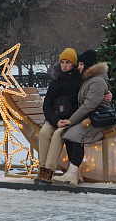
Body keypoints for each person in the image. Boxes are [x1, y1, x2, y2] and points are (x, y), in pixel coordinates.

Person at [52, 49, 114, 188]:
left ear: (89, 66)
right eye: (78, 64)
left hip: (99, 120)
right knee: (69, 135)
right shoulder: (87, 79)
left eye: (81, 64)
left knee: (75, 135)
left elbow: (89, 105)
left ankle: (73, 173)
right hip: (90, 118)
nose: (79, 67)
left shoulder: (96, 81)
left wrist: (71, 120)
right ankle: (75, 172)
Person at [34, 48, 80, 185]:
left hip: (72, 120)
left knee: (58, 135)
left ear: (73, 64)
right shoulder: (55, 82)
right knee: (43, 133)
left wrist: (69, 120)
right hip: (55, 118)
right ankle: (42, 169)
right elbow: (47, 105)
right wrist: (55, 120)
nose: (64, 65)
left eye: (68, 62)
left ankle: (49, 171)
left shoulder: (79, 80)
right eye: (62, 62)